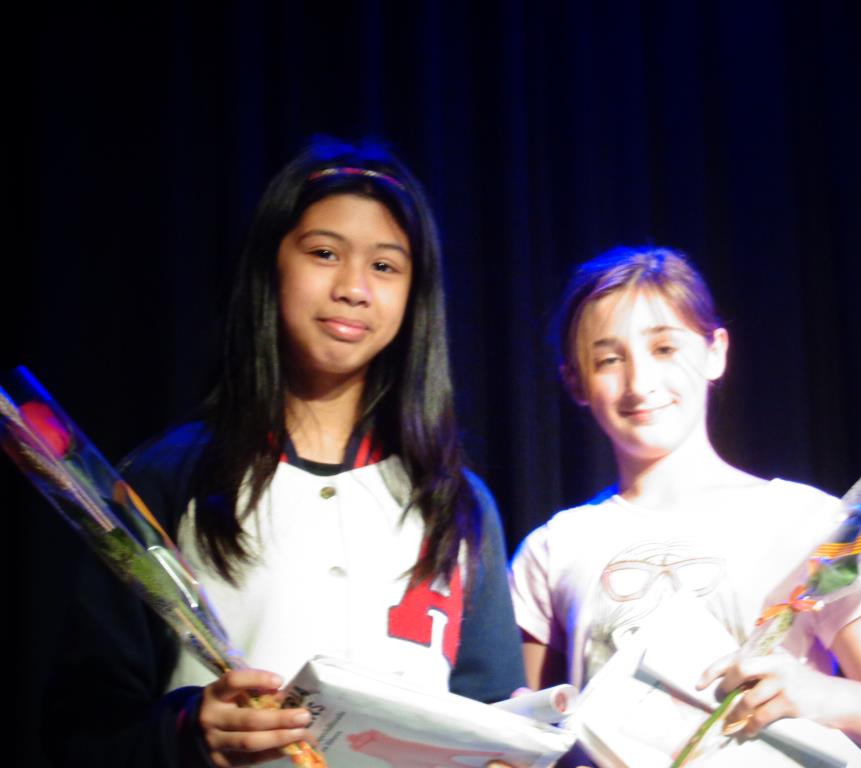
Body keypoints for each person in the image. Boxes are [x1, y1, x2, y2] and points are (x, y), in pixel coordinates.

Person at [44, 137, 524, 768]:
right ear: (271, 266)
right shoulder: (170, 479)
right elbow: (79, 730)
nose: (354, 288)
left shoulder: (456, 503)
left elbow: (491, 717)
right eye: (324, 253)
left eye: (385, 266)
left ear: (415, 296)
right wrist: (187, 730)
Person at [509, 246, 861, 762]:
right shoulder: (555, 546)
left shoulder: (806, 520)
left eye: (664, 348)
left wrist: (816, 693)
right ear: (576, 382)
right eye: (608, 360)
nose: (639, 383)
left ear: (715, 351)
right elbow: (528, 732)